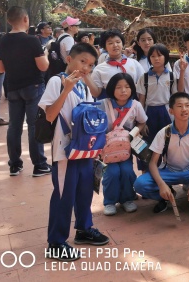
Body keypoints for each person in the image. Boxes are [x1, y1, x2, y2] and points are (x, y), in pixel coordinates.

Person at [39, 43, 109, 261]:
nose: (86, 68)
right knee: (64, 195)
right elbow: (49, 115)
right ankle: (56, 242)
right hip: (64, 151)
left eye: (91, 65)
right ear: (69, 59)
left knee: (84, 191)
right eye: (82, 62)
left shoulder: (84, 86)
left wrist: (97, 146)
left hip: (85, 150)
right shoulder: (57, 81)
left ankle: (84, 229)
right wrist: (66, 90)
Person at [133, 92, 189, 213]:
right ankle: (165, 198)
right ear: (171, 111)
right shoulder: (164, 132)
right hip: (168, 171)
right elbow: (153, 163)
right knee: (140, 184)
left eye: (187, 105)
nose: (184, 109)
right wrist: (161, 184)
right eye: (179, 106)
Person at [0, 7, 50, 176]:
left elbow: (0, 68)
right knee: (34, 125)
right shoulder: (32, 41)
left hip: (13, 87)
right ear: (25, 19)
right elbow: (43, 66)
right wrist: (45, 54)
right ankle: (39, 164)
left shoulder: (1, 41)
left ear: (9, 21)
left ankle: (14, 164)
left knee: (14, 126)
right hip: (33, 87)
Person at [101, 73, 147, 215]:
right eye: (118, 87)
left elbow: (142, 122)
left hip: (126, 148)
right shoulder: (103, 104)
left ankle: (127, 199)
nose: (123, 91)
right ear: (111, 89)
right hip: (107, 149)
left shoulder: (136, 105)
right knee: (112, 172)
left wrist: (133, 133)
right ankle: (109, 202)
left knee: (127, 171)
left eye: (127, 87)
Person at [136, 44, 177, 171]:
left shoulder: (171, 76)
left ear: (166, 57)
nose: (156, 58)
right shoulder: (144, 77)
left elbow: (174, 98)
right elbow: (141, 101)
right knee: (149, 144)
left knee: (168, 145)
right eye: (153, 56)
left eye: (159, 55)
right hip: (150, 113)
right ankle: (147, 174)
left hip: (166, 112)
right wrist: (142, 122)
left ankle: (168, 176)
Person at [86, 29, 143, 100]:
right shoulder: (99, 69)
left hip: (132, 103)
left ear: (122, 44)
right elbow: (96, 93)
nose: (115, 45)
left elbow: (143, 85)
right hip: (109, 105)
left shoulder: (134, 63)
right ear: (105, 47)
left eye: (118, 42)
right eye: (110, 43)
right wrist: (85, 76)